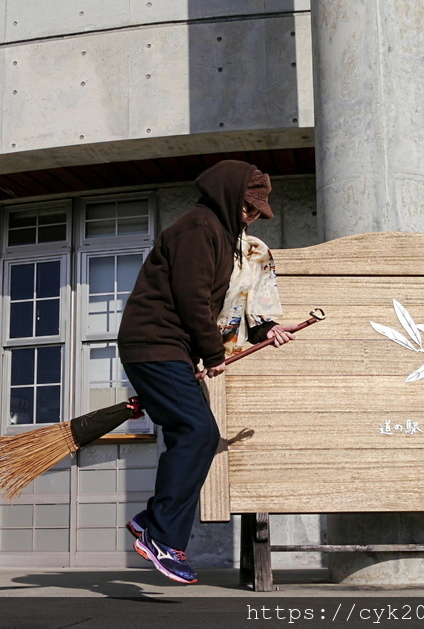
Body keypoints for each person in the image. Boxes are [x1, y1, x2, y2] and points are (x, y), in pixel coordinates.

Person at [117, 159, 293, 583]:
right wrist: (214, 356)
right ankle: (161, 536)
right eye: (249, 207)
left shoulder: (228, 237)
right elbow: (193, 299)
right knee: (198, 434)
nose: (251, 216)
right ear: (230, 196)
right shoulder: (199, 228)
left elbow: (237, 296)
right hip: (154, 343)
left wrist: (269, 327)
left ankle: (151, 524)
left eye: (257, 212)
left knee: (194, 435)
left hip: (170, 349)